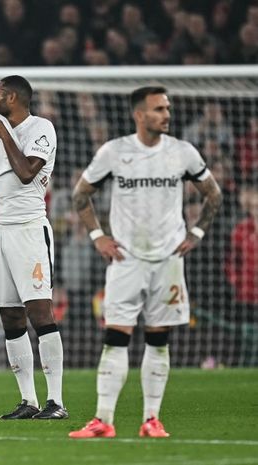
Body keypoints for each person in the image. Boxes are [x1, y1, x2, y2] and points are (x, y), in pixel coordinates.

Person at [69, 86, 222, 439]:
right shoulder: (115, 152)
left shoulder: (182, 152)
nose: (166, 114)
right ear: (139, 115)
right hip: (126, 259)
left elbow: (212, 193)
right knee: (115, 337)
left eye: (167, 108)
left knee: (158, 341)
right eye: (158, 109)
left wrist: (197, 234)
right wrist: (98, 237)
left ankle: (151, 419)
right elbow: (81, 195)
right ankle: (102, 420)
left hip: (168, 260)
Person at [0, 75, 67, 420]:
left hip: (29, 230)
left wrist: (3, 132)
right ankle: (28, 401)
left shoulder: (42, 128)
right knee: (10, 316)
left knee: (40, 313)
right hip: (0, 232)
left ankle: (55, 402)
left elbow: (27, 172)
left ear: (12, 97)